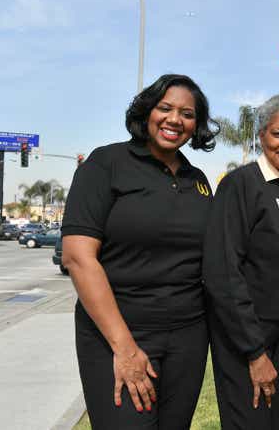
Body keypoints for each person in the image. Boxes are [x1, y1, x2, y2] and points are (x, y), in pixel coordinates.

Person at [62, 74, 219, 429]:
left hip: (188, 336)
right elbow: (77, 257)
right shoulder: (106, 164)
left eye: (187, 114)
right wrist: (125, 348)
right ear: (147, 112)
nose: (174, 120)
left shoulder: (198, 180)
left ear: (197, 125)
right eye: (165, 108)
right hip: (118, 332)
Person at [203, 94, 279, 430]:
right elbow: (222, 272)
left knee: (277, 423)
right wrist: (254, 352)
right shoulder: (241, 185)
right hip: (245, 333)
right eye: (278, 133)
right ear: (261, 135)